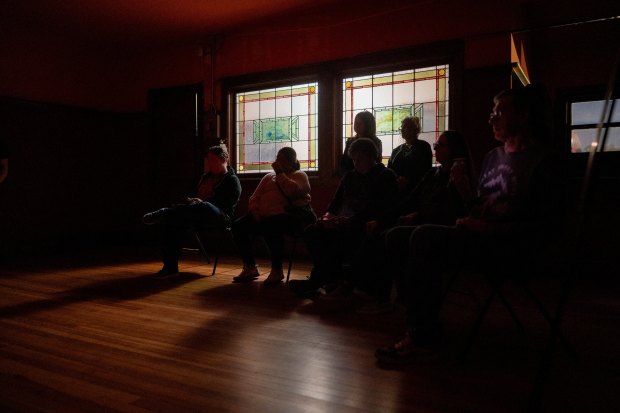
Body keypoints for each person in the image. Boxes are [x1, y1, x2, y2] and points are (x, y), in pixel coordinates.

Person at [375, 84, 557, 364]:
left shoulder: (542, 161)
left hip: (507, 245)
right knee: (395, 235)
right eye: (491, 111)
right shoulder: (492, 157)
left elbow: (543, 228)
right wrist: (464, 193)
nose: (491, 117)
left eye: (499, 111)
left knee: (424, 236)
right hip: (479, 237)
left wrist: (488, 228)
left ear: (523, 116)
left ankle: (424, 336)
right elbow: (480, 208)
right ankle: (420, 319)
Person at [355, 130, 473, 314]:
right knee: (378, 230)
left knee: (391, 236)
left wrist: (417, 216)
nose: (436, 148)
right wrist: (380, 219)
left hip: (441, 229)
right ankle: (369, 290)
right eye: (436, 145)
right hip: (418, 221)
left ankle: (389, 297)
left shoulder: (463, 178)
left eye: (440, 145)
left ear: (454, 149)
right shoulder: (432, 174)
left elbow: (450, 210)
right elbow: (409, 201)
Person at [290, 138, 398, 296]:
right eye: (353, 160)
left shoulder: (385, 176)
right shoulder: (350, 177)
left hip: (364, 223)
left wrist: (349, 221)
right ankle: (329, 278)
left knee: (341, 237)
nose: (356, 163)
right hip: (341, 221)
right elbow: (335, 203)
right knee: (312, 231)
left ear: (371, 157)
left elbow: (381, 208)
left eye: (359, 159)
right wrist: (326, 218)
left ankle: (326, 280)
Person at [143, 144, 242, 277]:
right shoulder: (204, 177)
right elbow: (193, 195)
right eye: (208, 161)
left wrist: (202, 202)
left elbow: (227, 205)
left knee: (204, 206)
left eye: (213, 161)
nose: (210, 165)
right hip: (195, 215)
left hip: (219, 217)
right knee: (171, 222)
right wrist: (190, 200)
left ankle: (165, 211)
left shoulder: (232, 180)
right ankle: (170, 267)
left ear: (224, 160)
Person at [231, 147, 315, 285]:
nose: (277, 162)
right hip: (262, 216)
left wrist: (280, 173)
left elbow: (292, 192)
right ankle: (250, 266)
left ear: (291, 161)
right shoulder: (269, 177)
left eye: (281, 159)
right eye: (277, 158)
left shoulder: (300, 176)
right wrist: (254, 211)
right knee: (238, 226)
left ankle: (277, 270)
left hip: (287, 217)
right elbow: (254, 197)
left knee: (271, 226)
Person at [388, 116, 432, 194]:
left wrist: (408, 180)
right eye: (401, 127)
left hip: (417, 190)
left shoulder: (423, 146)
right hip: (397, 190)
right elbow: (390, 169)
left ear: (414, 130)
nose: (402, 130)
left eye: (405, 127)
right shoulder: (396, 150)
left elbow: (425, 169)